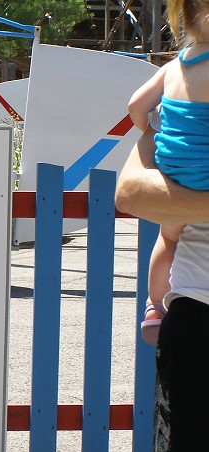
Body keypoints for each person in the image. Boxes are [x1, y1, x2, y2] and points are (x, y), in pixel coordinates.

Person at [126, 0, 209, 345]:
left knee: (169, 238)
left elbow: (135, 106)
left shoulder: (175, 65)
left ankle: (154, 307)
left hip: (176, 169)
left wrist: (158, 129)